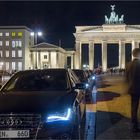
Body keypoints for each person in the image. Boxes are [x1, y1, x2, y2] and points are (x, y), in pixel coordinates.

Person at [126, 48, 140, 132]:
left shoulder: (128, 65)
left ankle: (134, 125)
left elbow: (126, 79)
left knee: (134, 108)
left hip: (133, 90)